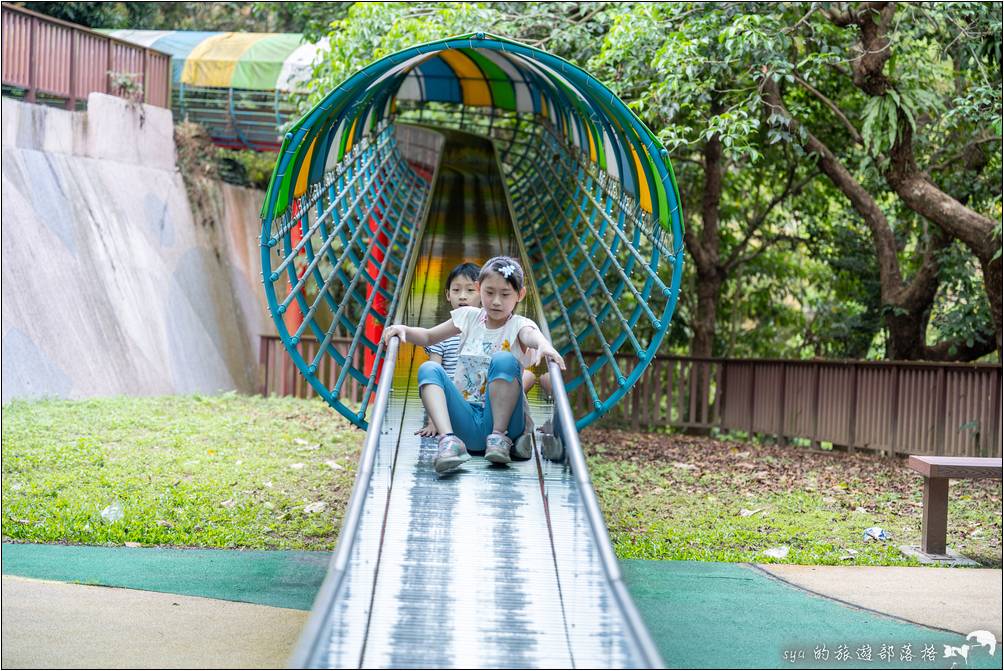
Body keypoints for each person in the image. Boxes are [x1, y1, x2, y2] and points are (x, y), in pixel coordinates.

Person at [383, 255, 565, 474]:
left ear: (520, 295)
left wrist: (544, 345)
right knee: (428, 369)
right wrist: (404, 329)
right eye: (489, 292)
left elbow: (531, 335)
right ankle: (450, 441)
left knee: (504, 359)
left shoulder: (520, 325)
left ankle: (498, 438)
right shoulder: (468, 317)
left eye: (505, 294)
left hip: (506, 426)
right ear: (479, 288)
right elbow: (430, 337)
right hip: (468, 423)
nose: (496, 301)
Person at [417, 261, 481, 438]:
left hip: (480, 401)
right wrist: (432, 422)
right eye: (456, 290)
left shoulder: (488, 331)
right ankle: (442, 423)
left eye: (470, 290)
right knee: (428, 372)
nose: (462, 296)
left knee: (526, 377)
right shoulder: (441, 335)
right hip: (451, 402)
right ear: (447, 294)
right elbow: (433, 375)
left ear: (483, 293)